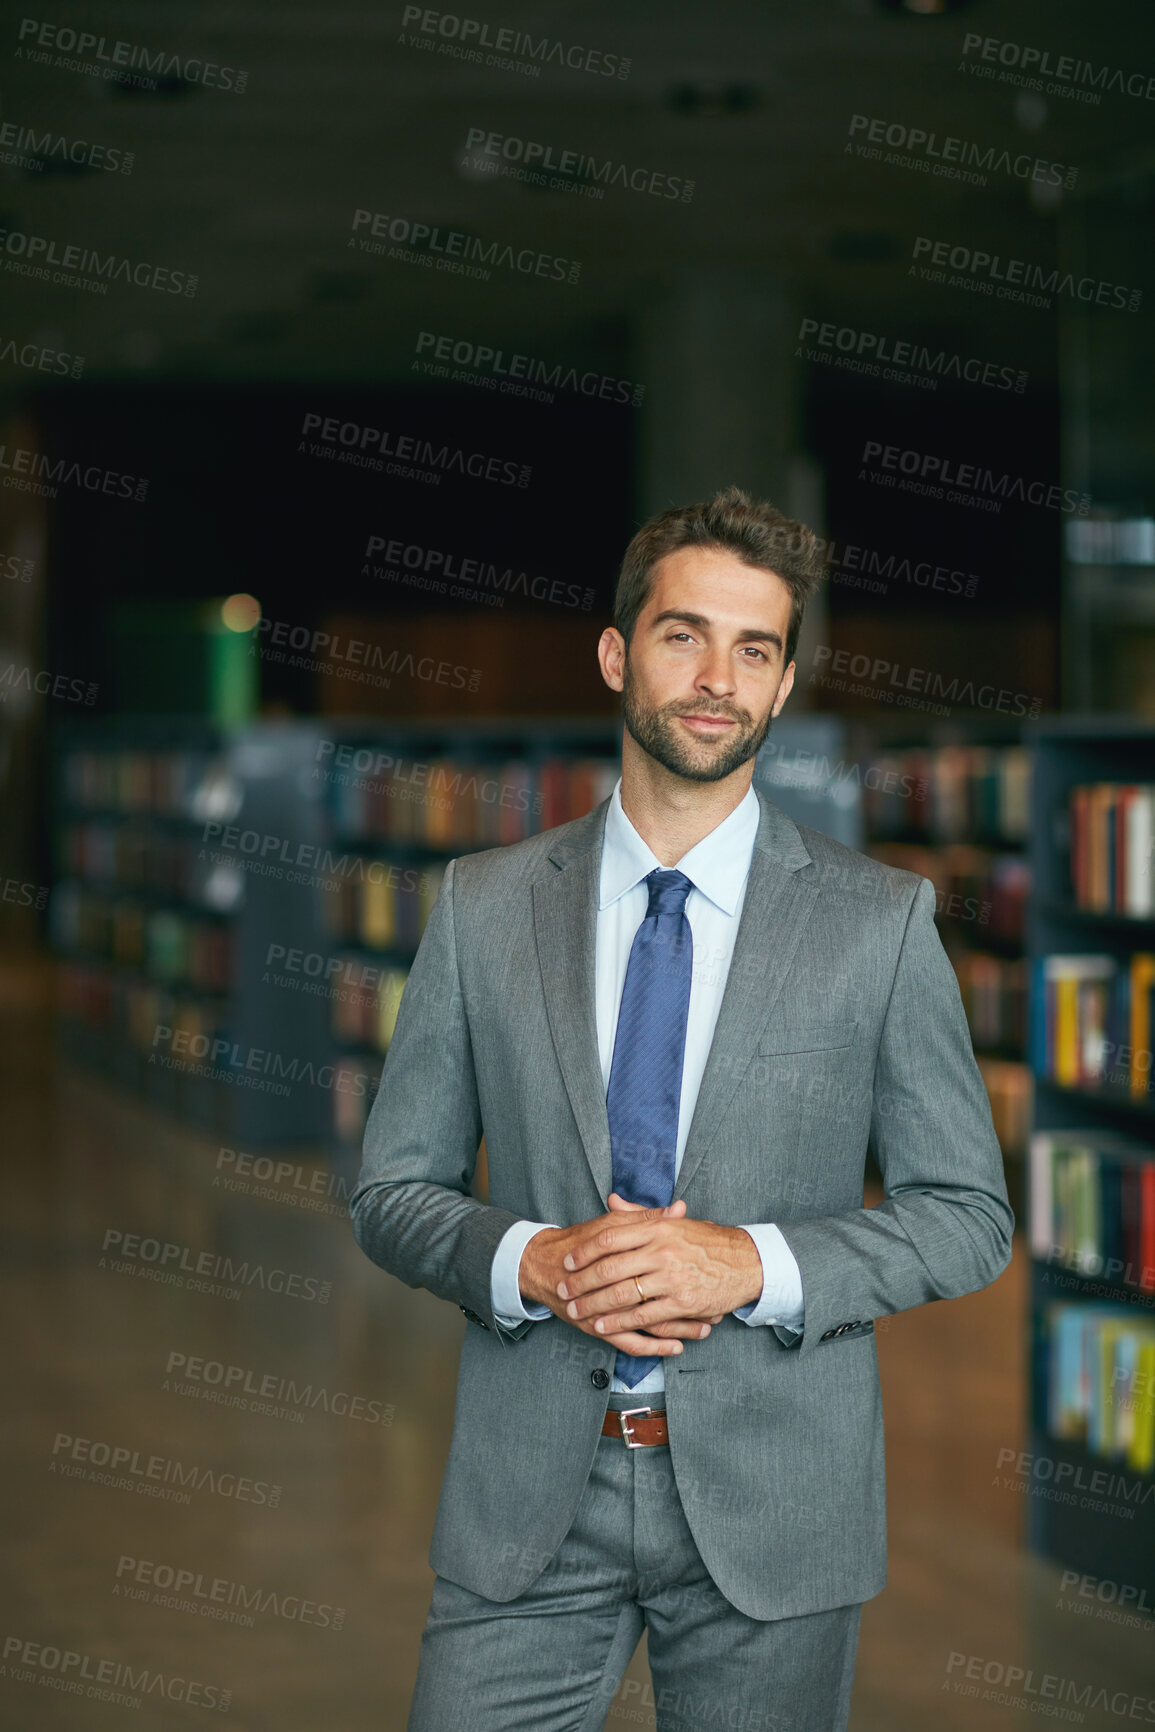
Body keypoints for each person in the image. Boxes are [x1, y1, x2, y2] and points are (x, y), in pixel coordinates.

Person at [350, 484, 1014, 1732]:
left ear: (783, 683)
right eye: (682, 634)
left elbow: (969, 1214)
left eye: (753, 648)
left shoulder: (881, 925)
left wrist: (748, 1265)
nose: (717, 675)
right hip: (527, 1498)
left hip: (777, 1501)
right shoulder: (483, 907)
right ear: (616, 653)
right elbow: (391, 1191)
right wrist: (529, 1258)